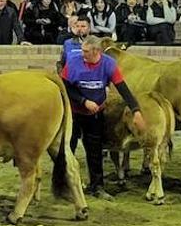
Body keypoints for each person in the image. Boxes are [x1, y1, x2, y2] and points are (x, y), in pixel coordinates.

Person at [60, 38, 144, 199]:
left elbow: (123, 88)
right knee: (68, 147)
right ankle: (65, 184)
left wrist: (136, 110)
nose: (82, 54)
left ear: (96, 51)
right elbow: (65, 87)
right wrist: (84, 101)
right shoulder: (73, 63)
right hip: (74, 113)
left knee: (95, 150)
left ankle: (97, 186)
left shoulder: (109, 64)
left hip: (95, 114)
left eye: (86, 51)